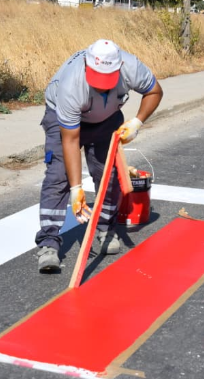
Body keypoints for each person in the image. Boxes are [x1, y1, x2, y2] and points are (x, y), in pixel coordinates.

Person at [35, 39, 164, 272]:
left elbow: (154, 91)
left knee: (108, 174)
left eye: (107, 80)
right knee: (58, 175)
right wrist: (76, 188)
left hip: (107, 118)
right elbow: (71, 140)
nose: (102, 86)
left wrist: (137, 122)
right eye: (97, 79)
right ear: (87, 65)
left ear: (119, 67)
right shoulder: (72, 84)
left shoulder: (131, 66)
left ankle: (106, 229)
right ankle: (48, 243)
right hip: (61, 116)